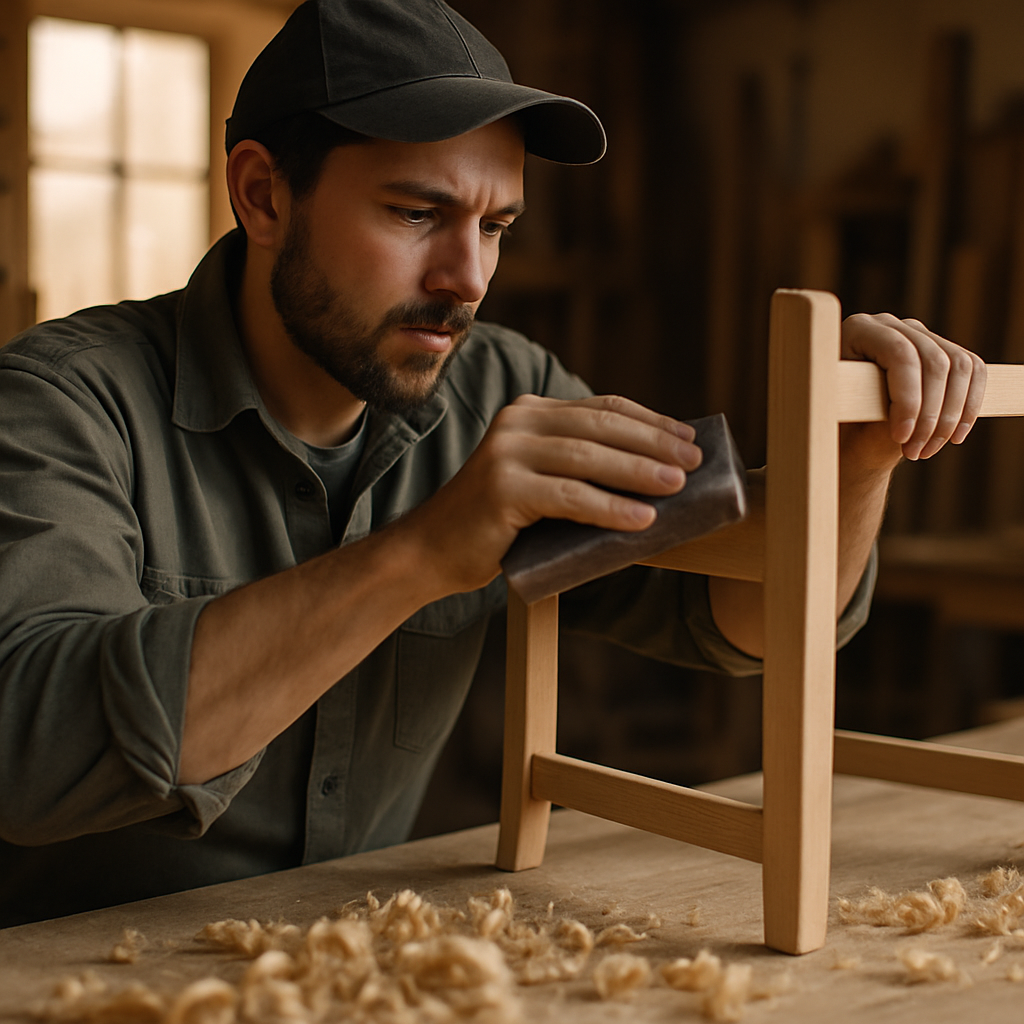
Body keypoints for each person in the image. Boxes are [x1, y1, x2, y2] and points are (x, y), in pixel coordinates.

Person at [0, 0, 985, 928]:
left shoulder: (504, 387)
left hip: (343, 956)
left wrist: (856, 460)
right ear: (263, 194)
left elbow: (741, 616)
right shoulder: (62, 402)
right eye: (416, 214)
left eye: (496, 227)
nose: (465, 279)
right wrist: (423, 554)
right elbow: (28, 752)